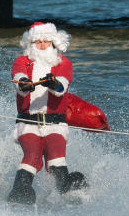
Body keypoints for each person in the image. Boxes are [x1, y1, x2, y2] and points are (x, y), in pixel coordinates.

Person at [7, 22, 87, 205]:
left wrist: (52, 83)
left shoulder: (63, 63)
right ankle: (19, 193)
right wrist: (23, 83)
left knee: (56, 159)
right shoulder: (22, 61)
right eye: (38, 42)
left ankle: (70, 192)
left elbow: (61, 87)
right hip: (27, 123)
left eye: (46, 42)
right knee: (32, 157)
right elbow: (18, 77)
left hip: (55, 124)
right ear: (31, 44)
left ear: (54, 43)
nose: (42, 46)